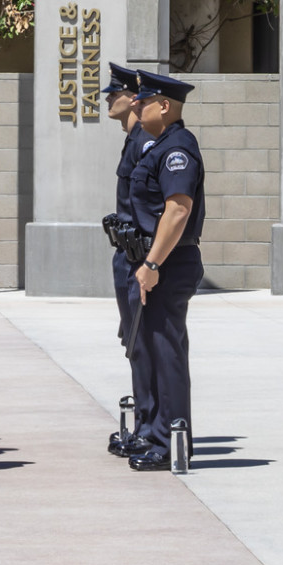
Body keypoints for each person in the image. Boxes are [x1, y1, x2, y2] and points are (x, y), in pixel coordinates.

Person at [123, 69, 203, 471]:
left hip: (169, 263)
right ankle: (156, 434)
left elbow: (177, 209)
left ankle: (171, 440)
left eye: (146, 100)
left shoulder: (177, 148)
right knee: (151, 350)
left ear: (165, 105)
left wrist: (153, 262)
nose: (137, 104)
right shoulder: (159, 145)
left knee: (166, 351)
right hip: (154, 261)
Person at [101, 63, 152, 457]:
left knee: (144, 345)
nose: (106, 99)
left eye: (113, 93)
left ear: (132, 98)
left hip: (138, 257)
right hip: (126, 253)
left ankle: (151, 428)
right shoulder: (131, 139)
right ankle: (144, 426)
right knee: (134, 344)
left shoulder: (144, 142)